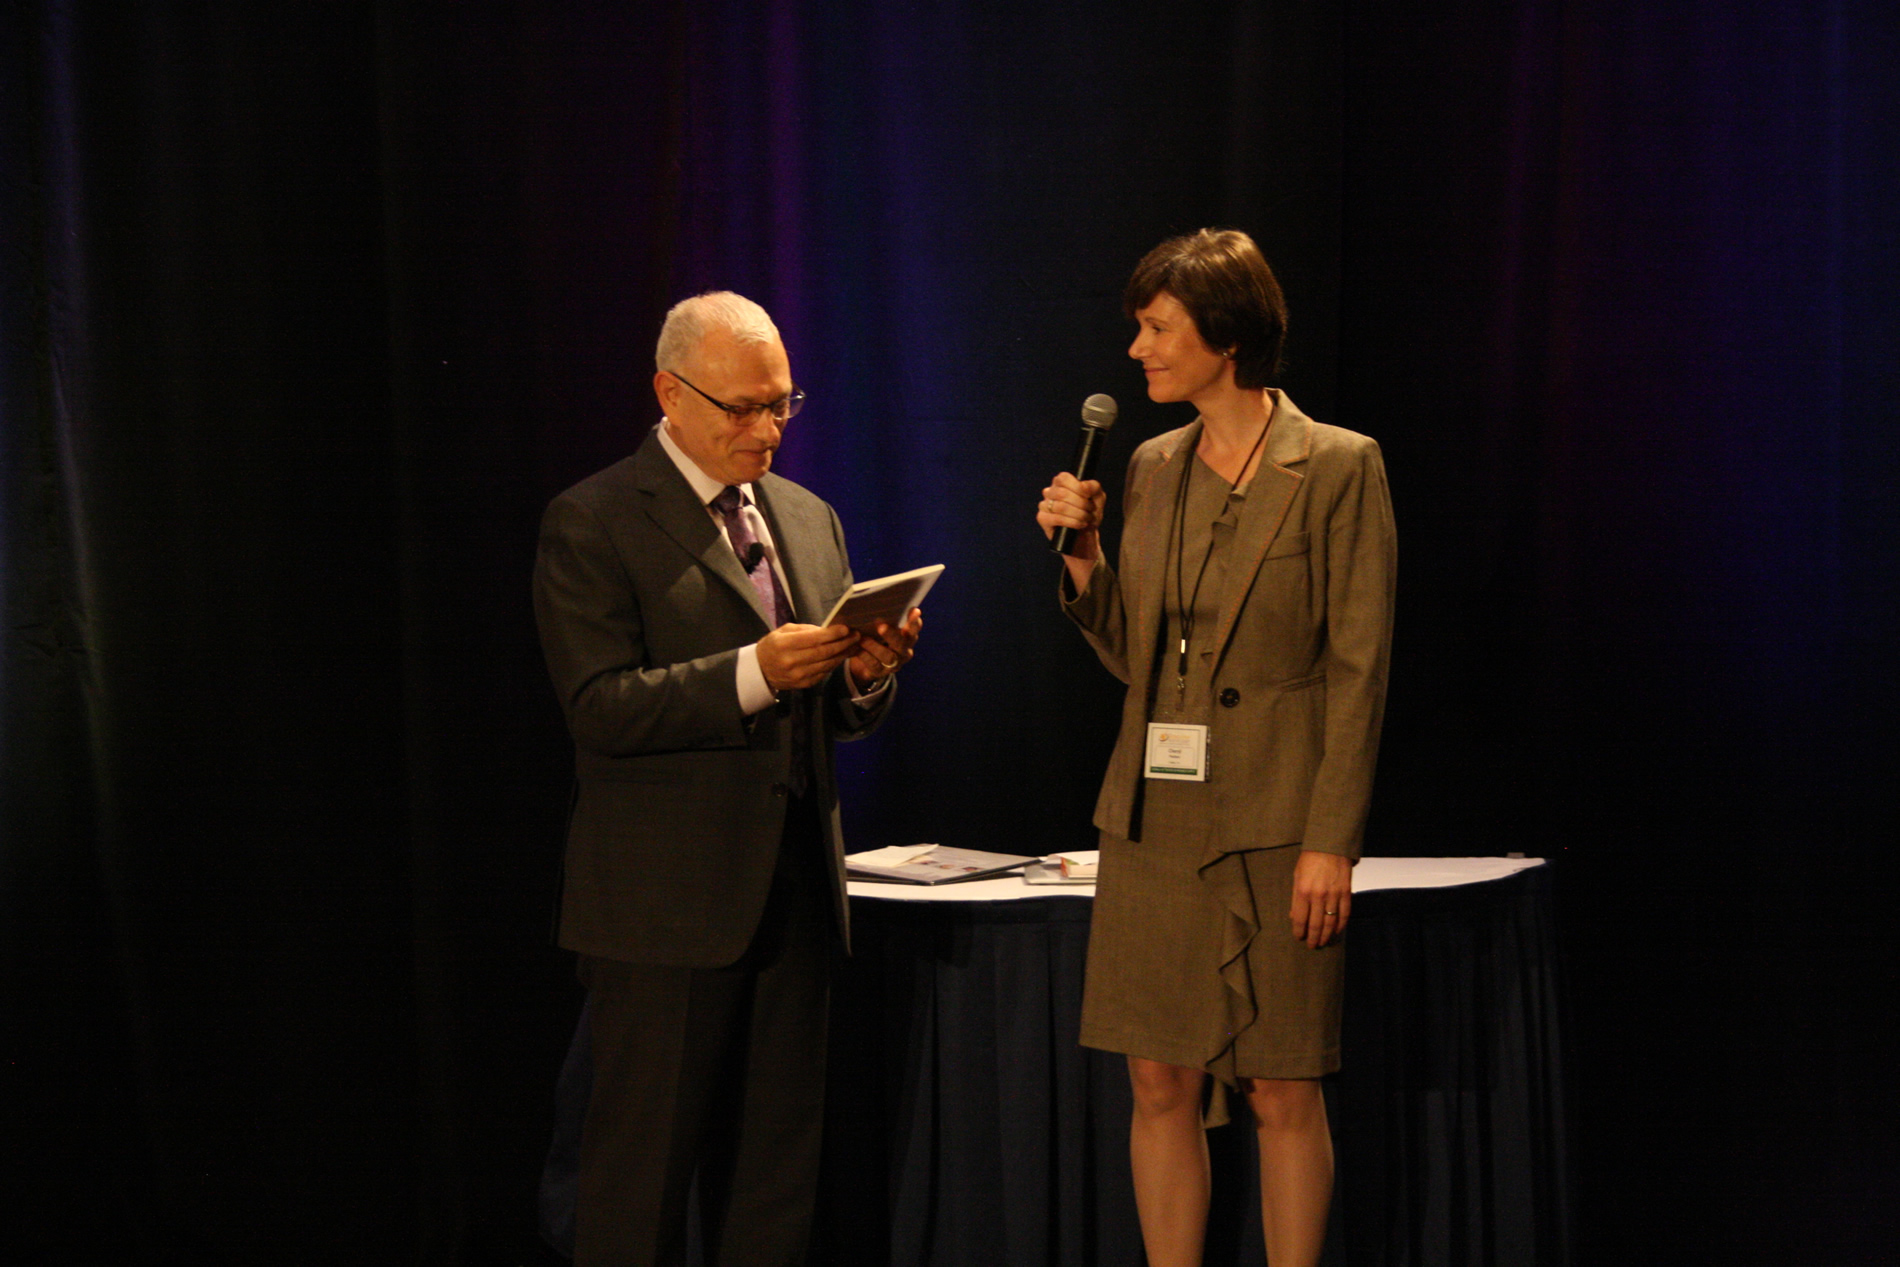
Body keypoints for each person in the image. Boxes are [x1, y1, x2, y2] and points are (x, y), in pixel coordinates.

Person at [533, 290, 922, 1267]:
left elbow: (832, 714)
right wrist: (755, 674)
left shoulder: (807, 515)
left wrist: (865, 673)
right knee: (639, 1186)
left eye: (782, 404)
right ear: (669, 393)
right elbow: (599, 708)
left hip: (794, 899)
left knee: (773, 1186)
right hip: (664, 912)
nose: (767, 429)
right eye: (742, 407)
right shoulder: (594, 519)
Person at [1035, 229, 1395, 1267]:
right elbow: (1136, 661)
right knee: (1158, 1079)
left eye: (1158, 328)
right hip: (1155, 817)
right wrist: (1085, 558)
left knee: (1281, 1084)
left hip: (1281, 819)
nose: (1138, 350)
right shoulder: (1152, 466)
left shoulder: (1337, 464)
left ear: (1225, 336)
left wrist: (1331, 840)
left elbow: (1360, 669)